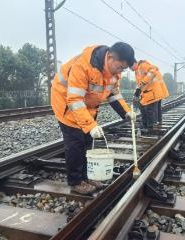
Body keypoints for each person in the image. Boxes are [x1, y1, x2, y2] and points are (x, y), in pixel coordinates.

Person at [51, 42, 136, 194]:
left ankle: (86, 177)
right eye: (120, 67)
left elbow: (113, 94)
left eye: (123, 69)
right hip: (66, 103)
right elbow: (74, 100)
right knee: (76, 142)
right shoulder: (83, 65)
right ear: (110, 57)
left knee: (87, 141)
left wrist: (126, 112)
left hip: (87, 106)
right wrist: (90, 126)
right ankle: (76, 181)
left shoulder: (114, 73)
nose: (121, 71)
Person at [131, 60, 169, 133]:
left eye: (130, 67)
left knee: (149, 109)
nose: (130, 69)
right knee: (155, 109)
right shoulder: (137, 70)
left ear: (134, 63)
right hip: (156, 91)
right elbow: (140, 83)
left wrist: (142, 84)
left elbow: (153, 71)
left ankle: (150, 128)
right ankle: (157, 123)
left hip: (153, 91)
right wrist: (137, 91)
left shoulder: (142, 66)